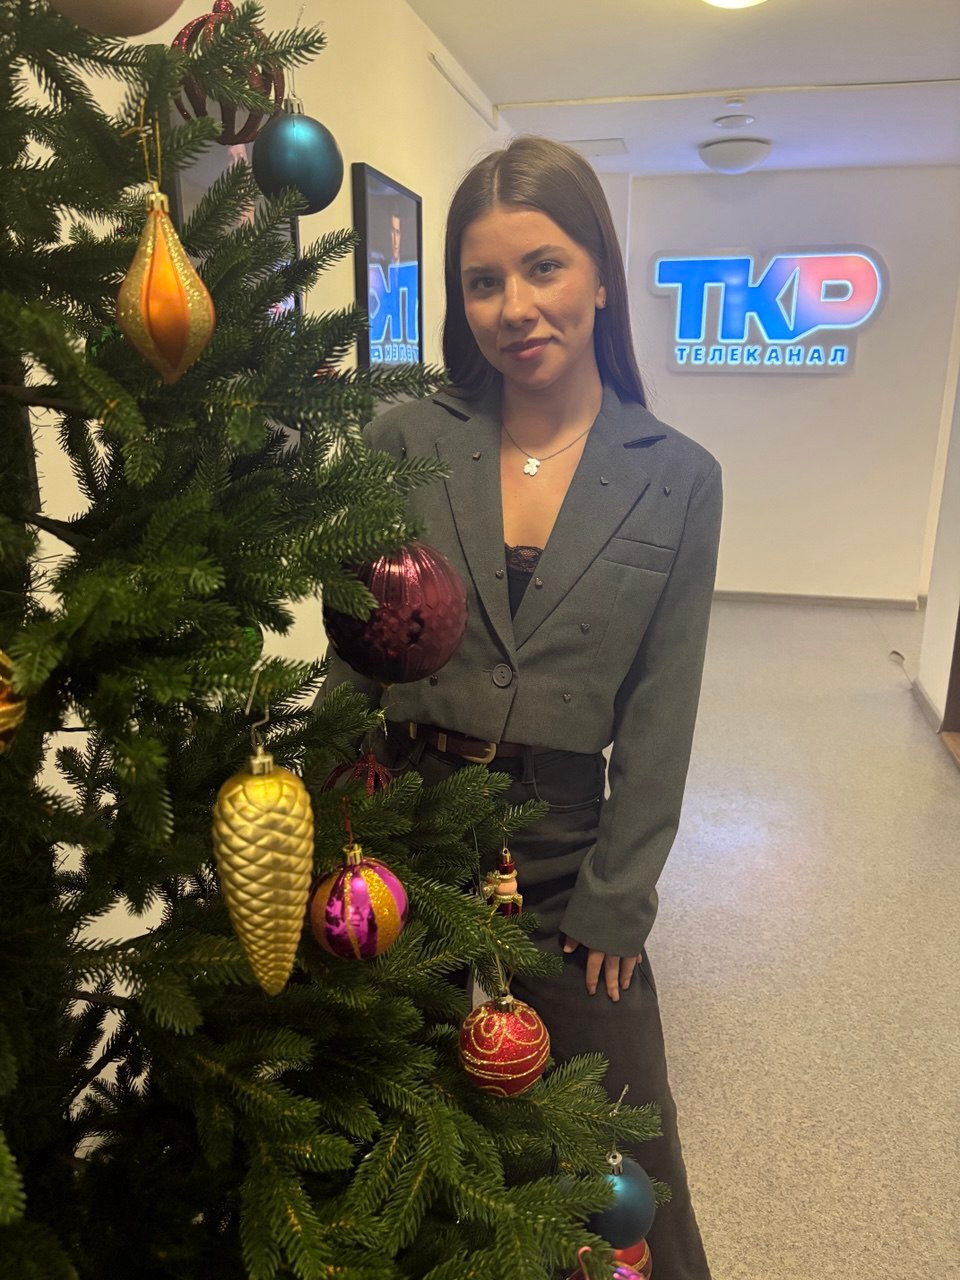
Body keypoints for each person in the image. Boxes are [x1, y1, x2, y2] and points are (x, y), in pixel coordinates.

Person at [320, 135, 722, 1280]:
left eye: (544, 267)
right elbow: (353, 655)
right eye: (484, 280)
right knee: (391, 1122)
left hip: (565, 850)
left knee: (622, 1150)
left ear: (600, 276)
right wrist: (331, 830)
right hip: (401, 829)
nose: (515, 306)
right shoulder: (404, 439)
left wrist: (620, 895)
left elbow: (663, 707)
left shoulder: (678, 475)